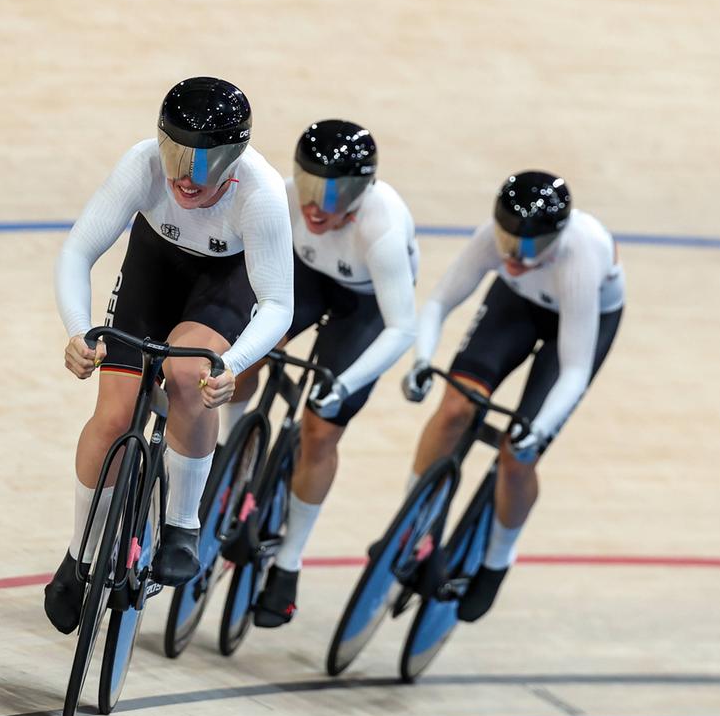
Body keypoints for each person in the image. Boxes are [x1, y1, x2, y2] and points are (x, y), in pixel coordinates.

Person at [43, 76, 294, 634]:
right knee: (111, 417)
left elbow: (277, 303)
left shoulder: (262, 192)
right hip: (154, 269)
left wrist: (231, 364)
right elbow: (78, 249)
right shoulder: (141, 164)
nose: (187, 176)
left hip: (223, 285)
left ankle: (182, 524)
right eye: (176, 155)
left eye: (206, 162)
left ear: (236, 157)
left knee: (188, 374)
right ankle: (78, 554)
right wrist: (80, 331)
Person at [401, 170, 624, 621]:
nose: (516, 256)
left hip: (581, 319)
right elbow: (439, 303)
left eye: (530, 248)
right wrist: (423, 360)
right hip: (518, 305)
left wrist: (537, 432)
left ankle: (497, 561)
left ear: (556, 238)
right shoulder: (494, 239)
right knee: (455, 406)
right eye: (508, 243)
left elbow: (575, 368)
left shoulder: (580, 254)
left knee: (517, 457)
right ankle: (409, 528)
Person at [233, 119, 419, 627]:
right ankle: (222, 464)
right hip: (307, 274)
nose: (315, 205)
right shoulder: (283, 196)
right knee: (250, 352)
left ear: (361, 193)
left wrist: (344, 383)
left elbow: (403, 328)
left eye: (333, 195)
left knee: (320, 429)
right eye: (310, 186)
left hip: (365, 306)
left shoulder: (381, 228)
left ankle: (288, 564)